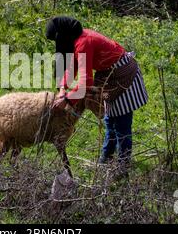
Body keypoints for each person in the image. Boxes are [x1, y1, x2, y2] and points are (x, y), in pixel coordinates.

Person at [45, 16, 148, 171]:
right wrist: (62, 88)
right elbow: (72, 66)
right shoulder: (76, 39)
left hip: (122, 76)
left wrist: (66, 100)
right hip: (109, 76)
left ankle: (122, 166)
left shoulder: (84, 42)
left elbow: (85, 82)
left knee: (121, 124)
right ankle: (106, 159)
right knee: (109, 120)